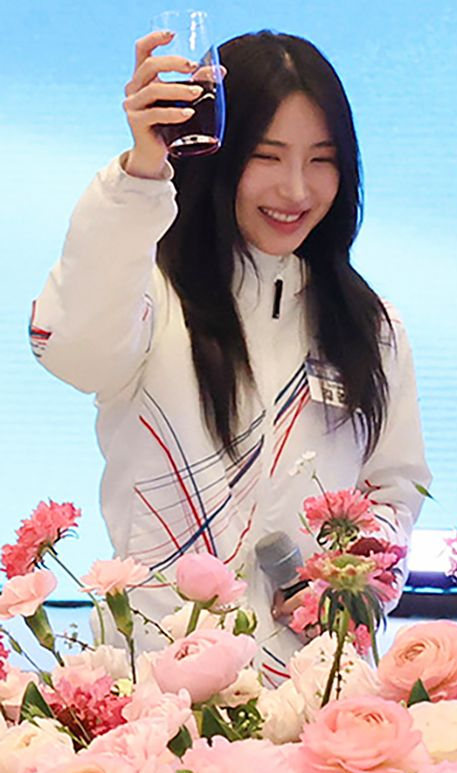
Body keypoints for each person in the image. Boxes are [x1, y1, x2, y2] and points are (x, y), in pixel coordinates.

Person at [29, 31, 430, 680]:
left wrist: (350, 581)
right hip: (155, 691)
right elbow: (75, 353)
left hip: (314, 693)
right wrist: (141, 172)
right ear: (218, 154)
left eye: (321, 160)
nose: (296, 189)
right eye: (267, 157)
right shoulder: (148, 297)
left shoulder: (371, 326)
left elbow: (395, 487)